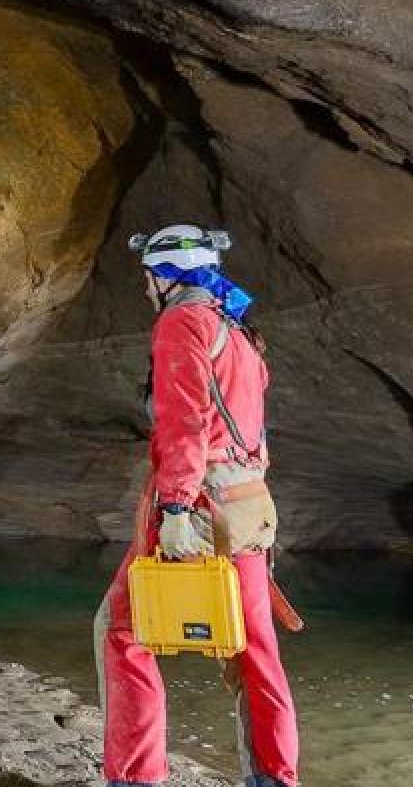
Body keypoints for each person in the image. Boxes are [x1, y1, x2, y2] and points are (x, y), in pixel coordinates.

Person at [96, 224, 299, 787]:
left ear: (166, 277)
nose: (144, 290)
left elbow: (185, 424)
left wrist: (178, 508)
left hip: (202, 507)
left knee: (121, 633)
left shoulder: (181, 323)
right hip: (248, 509)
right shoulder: (238, 334)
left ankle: (135, 778)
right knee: (255, 648)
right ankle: (275, 779)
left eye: (147, 278)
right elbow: (250, 434)